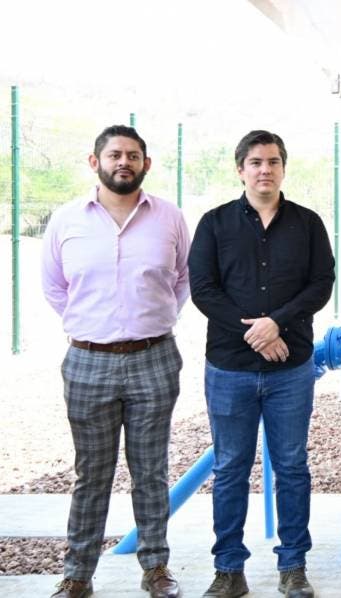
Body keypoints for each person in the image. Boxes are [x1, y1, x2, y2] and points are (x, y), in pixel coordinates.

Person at [41, 125, 188, 598]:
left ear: (146, 164)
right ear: (95, 162)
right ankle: (78, 574)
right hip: (88, 361)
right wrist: (94, 327)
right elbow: (54, 287)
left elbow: (183, 279)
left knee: (151, 470)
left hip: (154, 358)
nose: (123, 162)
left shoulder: (169, 218)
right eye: (114, 154)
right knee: (92, 474)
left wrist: (150, 321)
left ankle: (156, 569)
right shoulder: (66, 220)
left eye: (133, 155)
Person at [189, 130, 335, 598]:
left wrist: (278, 323)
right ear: (241, 170)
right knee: (231, 468)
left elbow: (321, 283)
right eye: (255, 162)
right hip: (229, 368)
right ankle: (229, 569)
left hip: (290, 369)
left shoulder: (308, 223)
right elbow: (203, 289)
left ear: (283, 168)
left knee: (292, 466)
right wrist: (254, 332)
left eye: (273, 161)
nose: (264, 170)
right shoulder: (214, 223)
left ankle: (293, 566)